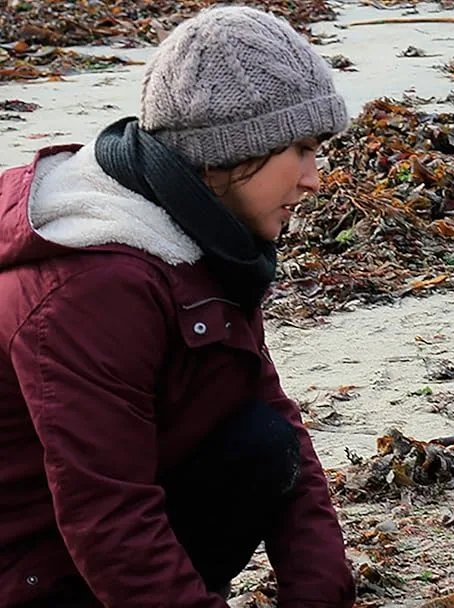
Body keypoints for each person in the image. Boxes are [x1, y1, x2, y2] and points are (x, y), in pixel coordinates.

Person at [0, 6, 355, 607]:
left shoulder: (202, 234)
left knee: (263, 441)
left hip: (96, 532)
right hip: (31, 573)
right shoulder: (95, 284)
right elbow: (108, 512)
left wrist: (321, 594)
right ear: (224, 154)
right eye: (298, 149)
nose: (313, 179)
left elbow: (271, 409)